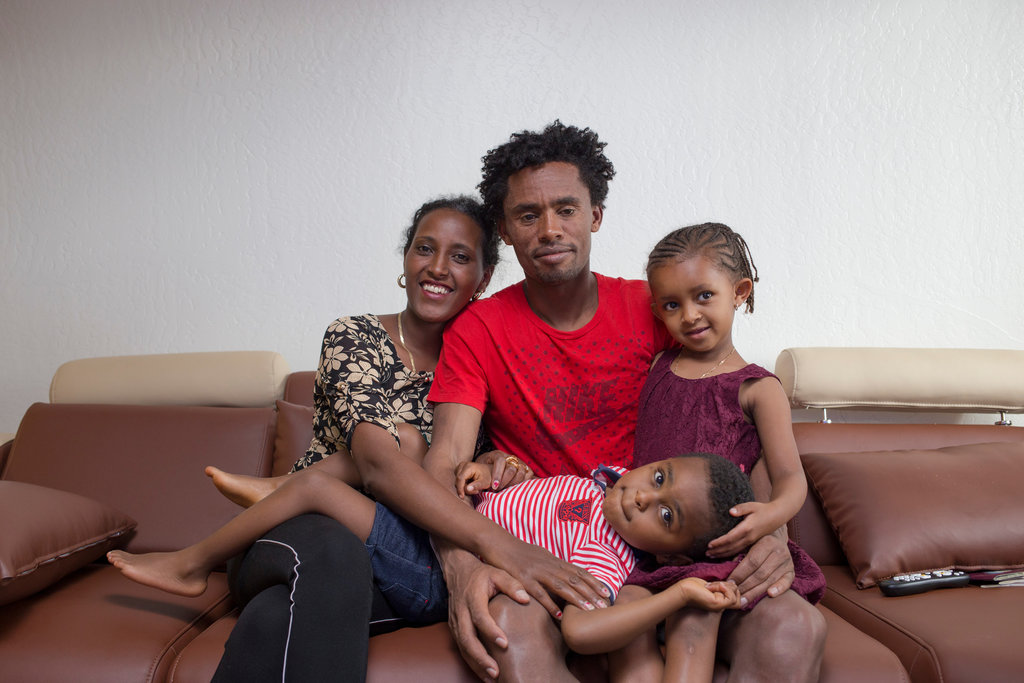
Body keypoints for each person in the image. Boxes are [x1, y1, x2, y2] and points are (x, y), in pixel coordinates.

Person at [376, 121, 824, 683]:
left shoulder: (655, 306)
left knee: (795, 626)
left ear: (596, 216)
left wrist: (773, 535)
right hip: (558, 544)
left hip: (673, 534)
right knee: (508, 630)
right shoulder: (479, 328)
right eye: (527, 215)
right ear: (505, 231)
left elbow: (736, 418)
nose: (549, 230)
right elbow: (443, 460)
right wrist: (462, 564)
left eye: (567, 208)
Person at [173, 195, 500, 682]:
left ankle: (276, 493)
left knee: (274, 617)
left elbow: (484, 463)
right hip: (301, 527)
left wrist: (496, 461)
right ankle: (281, 491)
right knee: (337, 551)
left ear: (484, 278)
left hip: (397, 557)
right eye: (424, 249)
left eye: (460, 256)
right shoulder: (355, 336)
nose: (437, 267)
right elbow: (376, 463)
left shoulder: (480, 366)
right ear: (405, 260)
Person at [109, 450, 754, 664]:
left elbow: (584, 631)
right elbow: (516, 494)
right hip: (438, 538)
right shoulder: (596, 478)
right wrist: (493, 469)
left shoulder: (606, 561)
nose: (643, 497)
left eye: (666, 518)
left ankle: (193, 563)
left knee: (317, 488)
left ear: (672, 553)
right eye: (660, 477)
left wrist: (675, 598)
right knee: (372, 468)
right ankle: (272, 500)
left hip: (432, 576)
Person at [608, 222, 827, 682]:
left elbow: (789, 478)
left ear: (739, 292)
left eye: (703, 296)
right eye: (672, 304)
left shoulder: (757, 388)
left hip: (723, 558)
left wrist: (769, 519)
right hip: (652, 547)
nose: (689, 315)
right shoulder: (657, 366)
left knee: (702, 625)